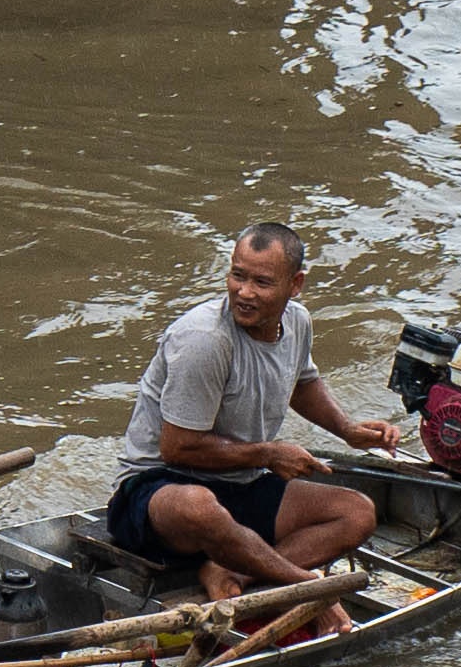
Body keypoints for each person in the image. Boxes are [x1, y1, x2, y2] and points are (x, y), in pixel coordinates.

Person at [105, 225, 400, 615]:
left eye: (262, 282)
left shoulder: (297, 322)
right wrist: (269, 454)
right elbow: (176, 448)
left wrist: (347, 430)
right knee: (200, 506)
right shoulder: (205, 340)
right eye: (237, 275)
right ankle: (304, 586)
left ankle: (233, 572)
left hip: (238, 482)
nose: (244, 292)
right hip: (159, 491)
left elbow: (302, 382)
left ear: (295, 285)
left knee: (357, 512)